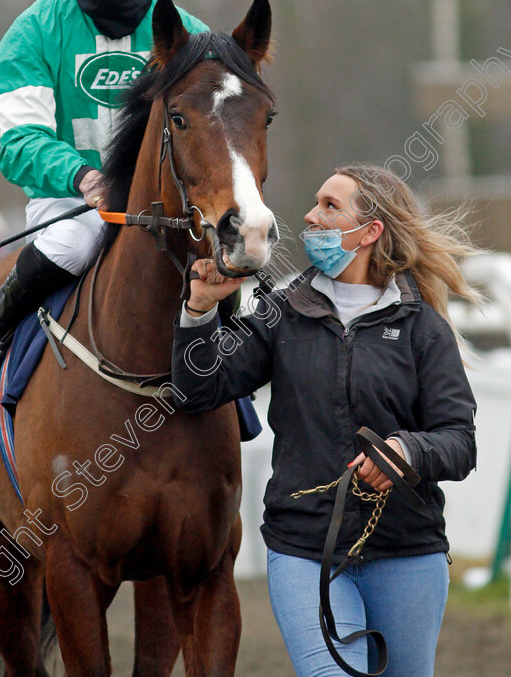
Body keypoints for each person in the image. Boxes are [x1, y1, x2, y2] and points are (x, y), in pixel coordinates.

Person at [171, 163, 478, 677]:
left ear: (370, 231)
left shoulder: (423, 327)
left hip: (409, 554)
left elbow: (460, 442)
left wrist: (406, 453)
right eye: (315, 202)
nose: (310, 216)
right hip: (305, 552)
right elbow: (195, 390)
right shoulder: (281, 313)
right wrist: (199, 310)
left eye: (330, 207)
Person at [0, 0, 208, 400]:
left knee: (227, 262)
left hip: (166, 205)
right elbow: (20, 142)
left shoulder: (190, 37)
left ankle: (240, 381)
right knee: (75, 241)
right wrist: (83, 176)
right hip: (72, 203)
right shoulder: (34, 30)